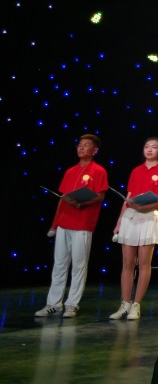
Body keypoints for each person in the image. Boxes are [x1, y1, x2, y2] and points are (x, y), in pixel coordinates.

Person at [35, 134, 108, 318]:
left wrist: (81, 203)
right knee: (59, 264)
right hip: (64, 223)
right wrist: (54, 224)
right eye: (79, 145)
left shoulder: (98, 170)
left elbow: (100, 196)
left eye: (86, 145)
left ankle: (72, 304)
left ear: (95, 150)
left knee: (79, 265)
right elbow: (62, 199)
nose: (81, 148)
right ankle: (53, 304)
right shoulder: (70, 171)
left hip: (83, 224)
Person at [109, 137, 158, 320]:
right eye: (147, 146)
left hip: (149, 217)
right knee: (127, 264)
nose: (149, 149)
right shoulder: (136, 170)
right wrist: (119, 222)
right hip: (131, 216)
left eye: (154, 147)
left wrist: (144, 207)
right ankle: (125, 303)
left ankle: (136, 305)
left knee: (143, 264)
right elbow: (128, 198)